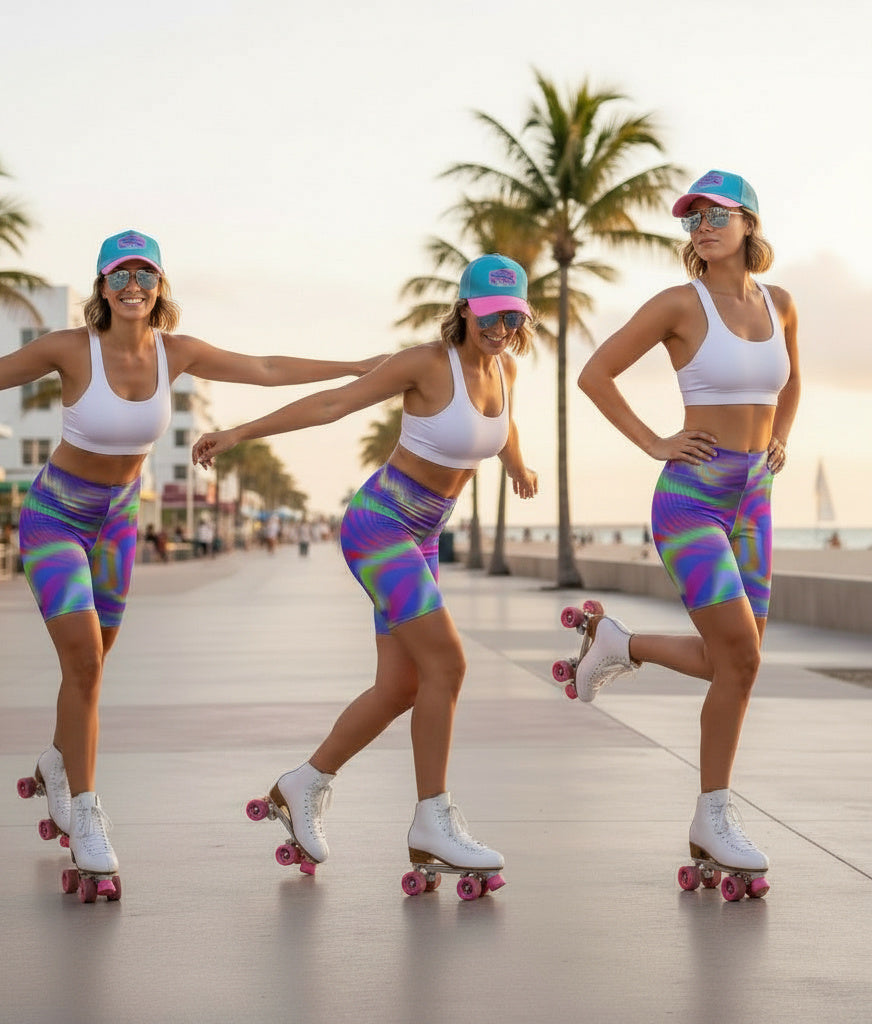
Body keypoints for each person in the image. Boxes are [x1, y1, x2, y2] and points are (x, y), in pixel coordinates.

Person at [0, 228, 384, 893]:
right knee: (83, 661)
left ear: (161, 287)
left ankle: (56, 762)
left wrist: (359, 368)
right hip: (55, 520)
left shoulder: (176, 353)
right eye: (119, 276)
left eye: (145, 276)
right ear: (102, 287)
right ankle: (88, 810)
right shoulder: (71, 349)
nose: (133, 287)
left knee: (93, 669)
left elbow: (266, 367)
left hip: (118, 526)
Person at [193, 253, 539, 887]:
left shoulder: (506, 367)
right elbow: (332, 405)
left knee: (403, 686)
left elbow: (503, 423)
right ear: (463, 309)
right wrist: (239, 432)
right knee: (449, 665)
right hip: (380, 526)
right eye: (490, 316)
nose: (500, 328)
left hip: (423, 536)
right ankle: (433, 821)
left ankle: (303, 784)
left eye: (512, 317)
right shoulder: (425, 364)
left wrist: (516, 464)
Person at [576, 170, 800, 881]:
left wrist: (782, 436)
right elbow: (595, 373)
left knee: (736, 662)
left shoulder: (781, 303)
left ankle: (619, 642)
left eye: (714, 214)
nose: (700, 225)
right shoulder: (679, 303)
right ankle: (714, 812)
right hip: (692, 503)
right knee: (742, 657)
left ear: (749, 224)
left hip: (754, 501)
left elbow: (789, 379)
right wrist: (653, 441)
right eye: (691, 217)